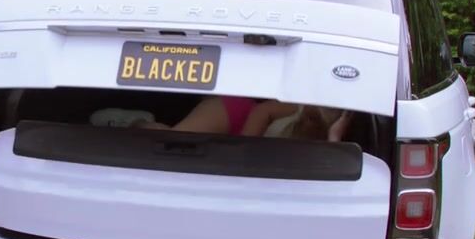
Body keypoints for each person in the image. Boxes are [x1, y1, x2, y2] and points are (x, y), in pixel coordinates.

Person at [137, 96, 354, 142]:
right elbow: (263, 111)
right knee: (171, 141)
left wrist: (333, 137)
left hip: (246, 155)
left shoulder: (334, 131)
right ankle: (134, 124)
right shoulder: (303, 107)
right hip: (238, 115)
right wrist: (242, 150)